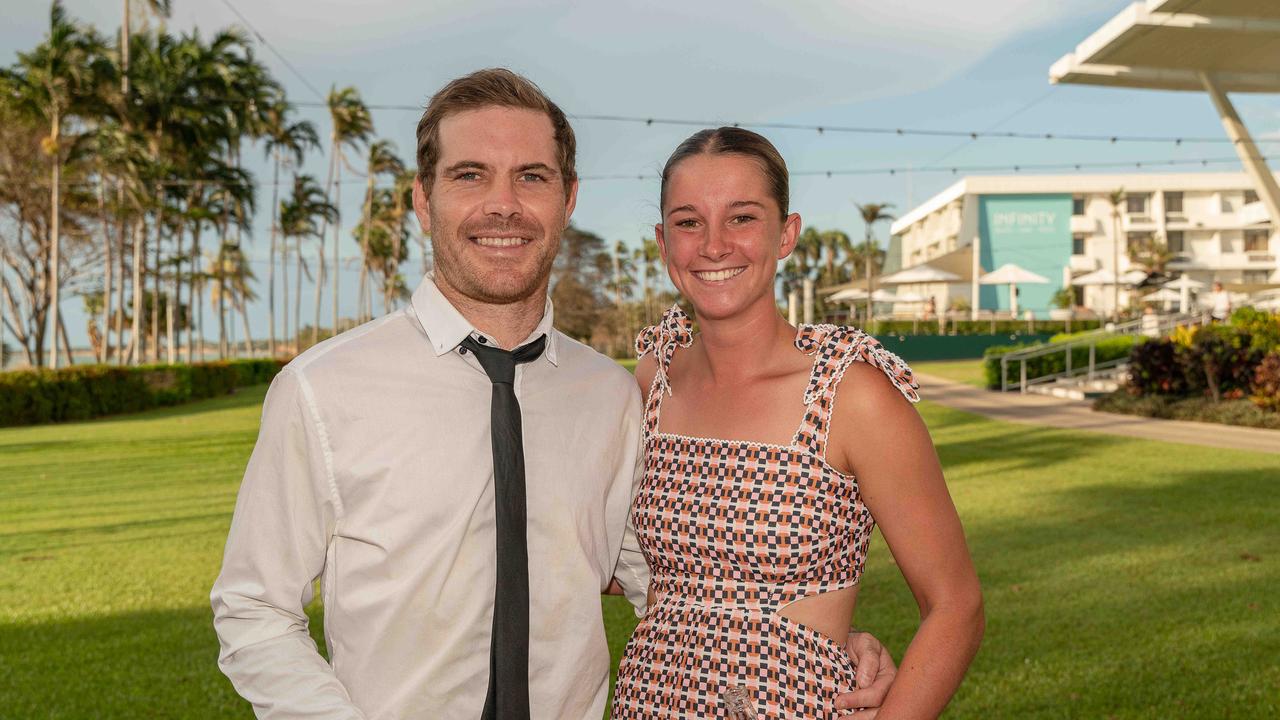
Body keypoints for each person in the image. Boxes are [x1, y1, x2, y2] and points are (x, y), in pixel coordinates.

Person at [211, 69, 894, 720]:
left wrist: (811, 640)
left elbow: (660, 570)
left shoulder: (612, 395)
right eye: (469, 175)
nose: (502, 204)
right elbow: (254, 607)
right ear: (424, 199)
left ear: (567, 197)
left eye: (530, 176)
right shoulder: (324, 388)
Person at [611, 128, 984, 719]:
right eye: (688, 222)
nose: (714, 245)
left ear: (786, 234)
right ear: (662, 242)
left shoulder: (850, 394)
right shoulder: (651, 379)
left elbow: (956, 605)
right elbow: (603, 555)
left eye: (742, 218)